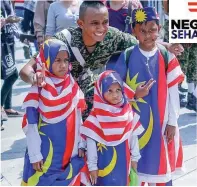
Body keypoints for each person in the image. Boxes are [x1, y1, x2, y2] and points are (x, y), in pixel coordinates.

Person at [19, 1, 184, 120]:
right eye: (94, 23)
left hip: (96, 109)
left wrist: (168, 45)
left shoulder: (111, 35)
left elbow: (140, 42)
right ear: (80, 23)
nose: (101, 28)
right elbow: (25, 70)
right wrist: (35, 78)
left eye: (105, 22)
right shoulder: (62, 40)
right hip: (64, 108)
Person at [114, 7, 185, 185]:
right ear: (134, 32)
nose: (147, 35)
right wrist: (133, 93)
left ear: (159, 30)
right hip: (135, 120)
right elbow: (117, 85)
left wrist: (172, 122)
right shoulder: (128, 55)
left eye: (152, 30)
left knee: (160, 161)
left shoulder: (166, 56)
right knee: (136, 162)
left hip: (160, 121)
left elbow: (173, 93)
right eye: (142, 31)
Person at [21, 39, 89, 186]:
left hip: (70, 151)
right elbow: (31, 126)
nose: (63, 65)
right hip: (46, 153)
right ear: (46, 60)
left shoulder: (71, 84)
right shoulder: (38, 88)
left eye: (66, 60)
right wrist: (34, 155)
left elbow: (78, 118)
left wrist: (82, 142)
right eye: (57, 60)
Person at [81, 70, 144, 185]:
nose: (115, 95)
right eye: (109, 91)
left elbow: (133, 138)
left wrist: (135, 158)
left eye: (118, 90)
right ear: (100, 92)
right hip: (102, 164)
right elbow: (90, 145)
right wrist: (92, 167)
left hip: (123, 163)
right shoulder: (95, 118)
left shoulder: (128, 113)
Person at [1, 0, 23, 125]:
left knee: (10, 74)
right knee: (13, 74)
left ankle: (7, 107)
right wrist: (6, 20)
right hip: (2, 43)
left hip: (9, 40)